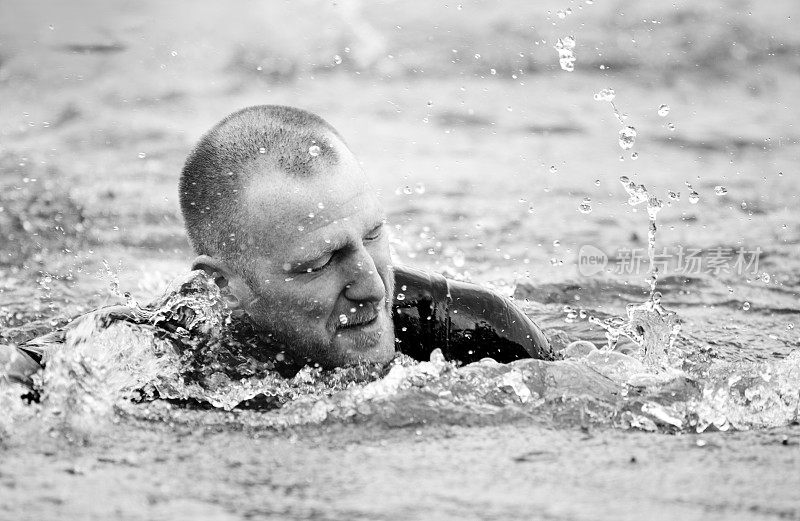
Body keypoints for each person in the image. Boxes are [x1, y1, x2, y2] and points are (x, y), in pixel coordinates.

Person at [1, 105, 551, 390]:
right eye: (318, 263)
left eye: (374, 236)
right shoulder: (161, 354)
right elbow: (26, 371)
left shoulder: (473, 329)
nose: (373, 286)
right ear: (224, 286)